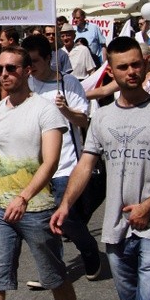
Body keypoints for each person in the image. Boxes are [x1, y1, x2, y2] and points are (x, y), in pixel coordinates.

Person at [51, 36, 150, 300]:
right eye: (123, 66)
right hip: (115, 230)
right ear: (111, 72)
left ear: (145, 65)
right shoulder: (101, 117)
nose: (131, 72)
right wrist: (66, 205)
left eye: (136, 65)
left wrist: (148, 206)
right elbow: (85, 165)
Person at [0, 46, 77, 300]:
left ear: (27, 70)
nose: (5, 74)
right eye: (0, 69)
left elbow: (51, 161)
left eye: (12, 68)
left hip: (37, 209)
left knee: (55, 278)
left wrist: (23, 198)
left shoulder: (46, 111)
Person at [21, 34, 100, 284]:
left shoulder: (67, 83)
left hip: (66, 164)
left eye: (34, 61)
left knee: (65, 218)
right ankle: (52, 271)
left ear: (48, 58)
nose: (30, 67)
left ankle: (89, 250)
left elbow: (84, 121)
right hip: (36, 165)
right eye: (27, 62)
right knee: (42, 223)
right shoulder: (26, 86)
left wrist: (66, 109)